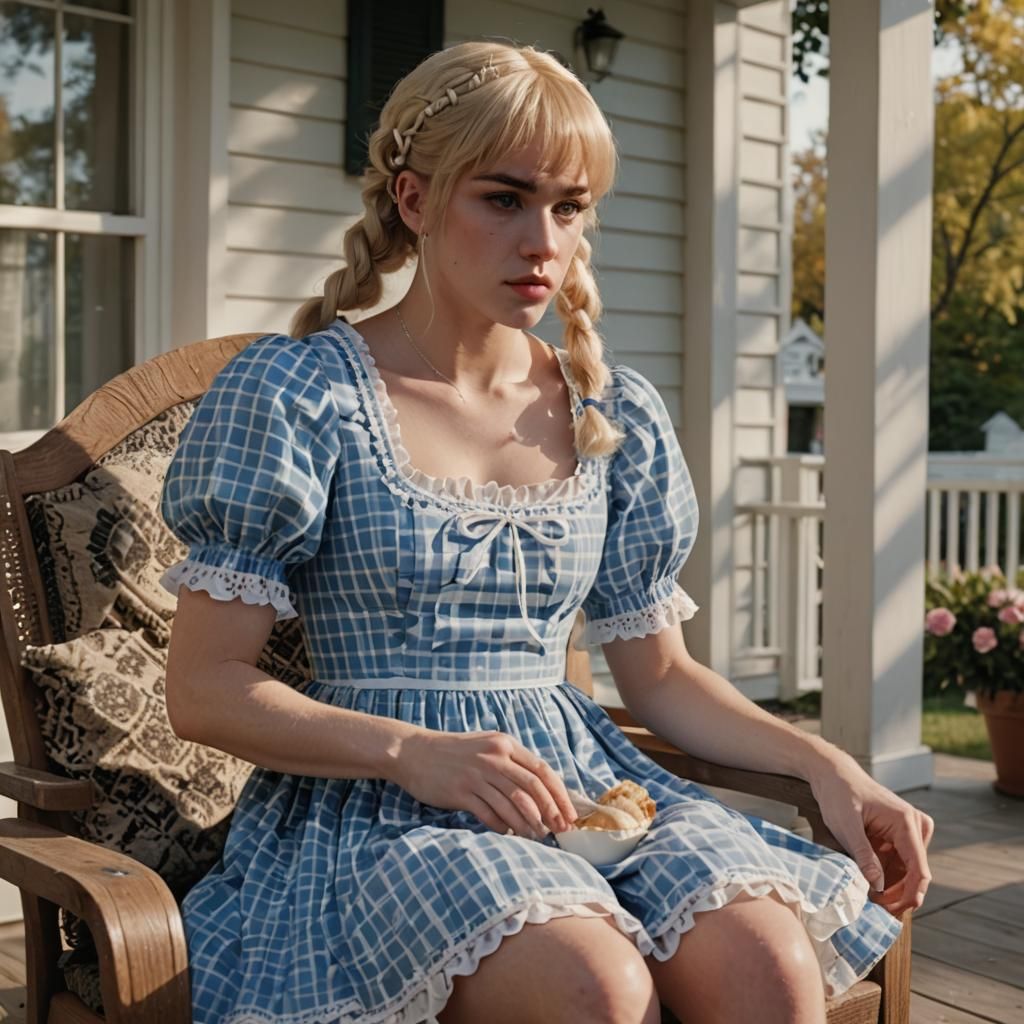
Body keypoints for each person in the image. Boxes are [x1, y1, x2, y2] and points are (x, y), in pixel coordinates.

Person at [159, 40, 933, 1024]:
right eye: (505, 198)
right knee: (592, 984)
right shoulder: (300, 394)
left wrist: (829, 765)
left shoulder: (609, 410)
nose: (543, 240)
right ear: (413, 198)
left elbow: (658, 674)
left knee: (768, 961)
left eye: (568, 207)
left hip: (589, 793)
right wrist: (414, 752)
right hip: (376, 813)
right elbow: (204, 689)